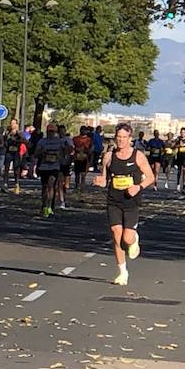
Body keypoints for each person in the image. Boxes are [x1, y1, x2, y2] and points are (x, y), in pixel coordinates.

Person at [95, 122, 156, 286]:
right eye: (118, 137)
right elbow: (105, 177)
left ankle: (134, 238)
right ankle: (122, 272)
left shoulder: (138, 156)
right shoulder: (109, 156)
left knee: (126, 239)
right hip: (114, 200)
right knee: (116, 234)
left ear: (130, 138)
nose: (121, 140)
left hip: (131, 201)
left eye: (124, 137)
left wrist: (139, 187)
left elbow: (151, 177)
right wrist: (100, 181)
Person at [33, 123, 67, 218]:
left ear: (56, 132)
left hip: (54, 167)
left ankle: (50, 206)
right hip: (44, 167)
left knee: (51, 185)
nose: (51, 134)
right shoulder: (42, 141)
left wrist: (61, 156)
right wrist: (42, 153)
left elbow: (66, 151)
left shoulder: (59, 142)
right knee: (44, 187)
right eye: (49, 132)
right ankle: (44, 206)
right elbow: (36, 154)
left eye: (53, 132)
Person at [72, 126, 94, 192]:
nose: (83, 131)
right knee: (77, 174)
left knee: (83, 174)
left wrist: (90, 155)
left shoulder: (89, 139)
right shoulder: (75, 138)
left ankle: (82, 187)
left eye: (85, 130)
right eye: (82, 130)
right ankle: (76, 186)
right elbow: (72, 147)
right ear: (80, 130)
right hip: (77, 158)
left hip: (85, 158)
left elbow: (92, 148)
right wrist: (75, 150)